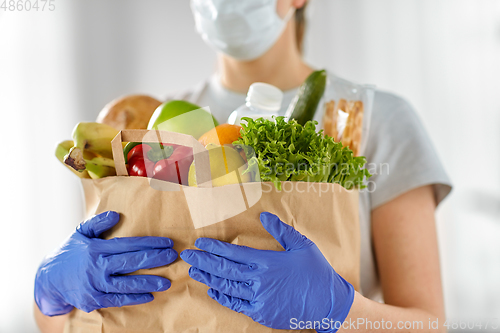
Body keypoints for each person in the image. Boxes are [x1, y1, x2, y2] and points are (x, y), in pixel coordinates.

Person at [34, 0, 452, 332]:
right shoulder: (147, 126)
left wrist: (340, 311)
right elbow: (74, 322)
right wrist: (49, 295)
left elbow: (428, 325)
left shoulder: (372, 120)